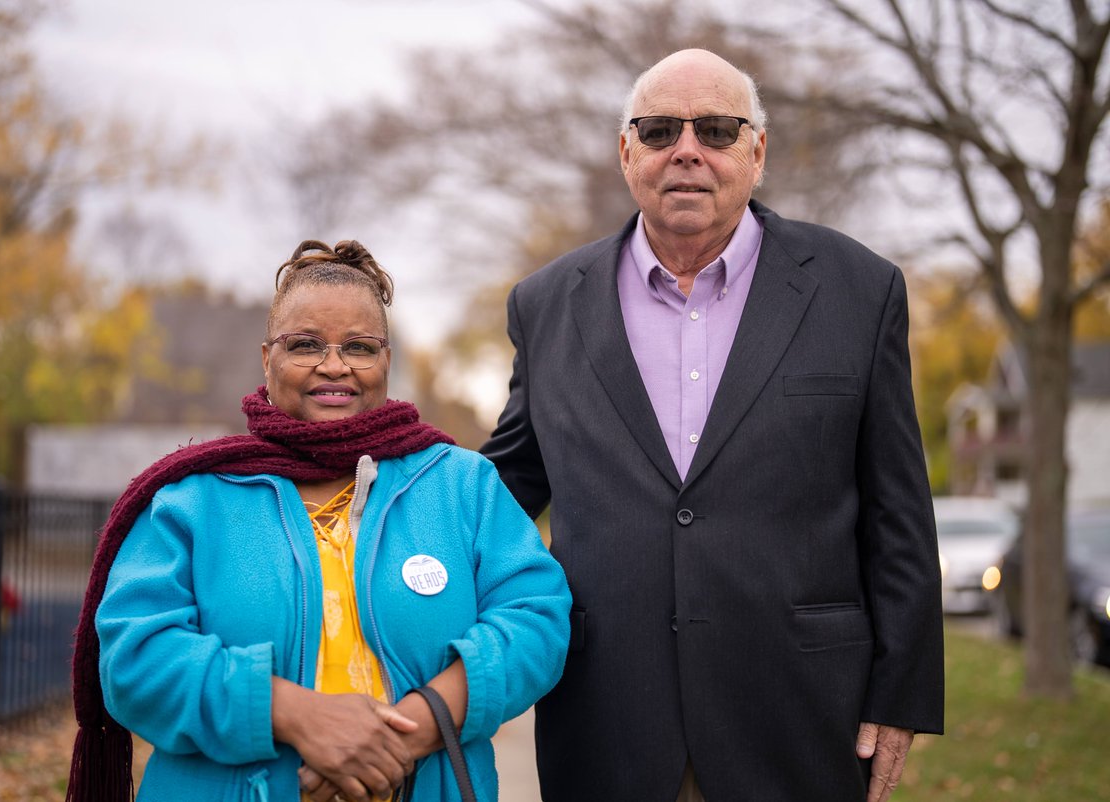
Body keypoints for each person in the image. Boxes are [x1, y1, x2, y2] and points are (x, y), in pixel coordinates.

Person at [480, 48, 944, 802]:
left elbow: (899, 513)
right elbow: (502, 487)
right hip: (608, 721)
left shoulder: (860, 291)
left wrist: (902, 693)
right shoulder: (545, 304)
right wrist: (380, 502)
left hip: (800, 716)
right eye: (660, 129)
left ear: (757, 151)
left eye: (718, 130)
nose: (687, 150)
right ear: (626, 152)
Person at [67, 240, 571, 802]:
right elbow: (134, 659)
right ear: (267, 358)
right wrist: (293, 715)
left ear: (386, 360)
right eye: (305, 345)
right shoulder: (194, 500)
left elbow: (536, 619)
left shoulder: (462, 485)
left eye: (360, 347)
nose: (335, 366)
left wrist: (410, 732)